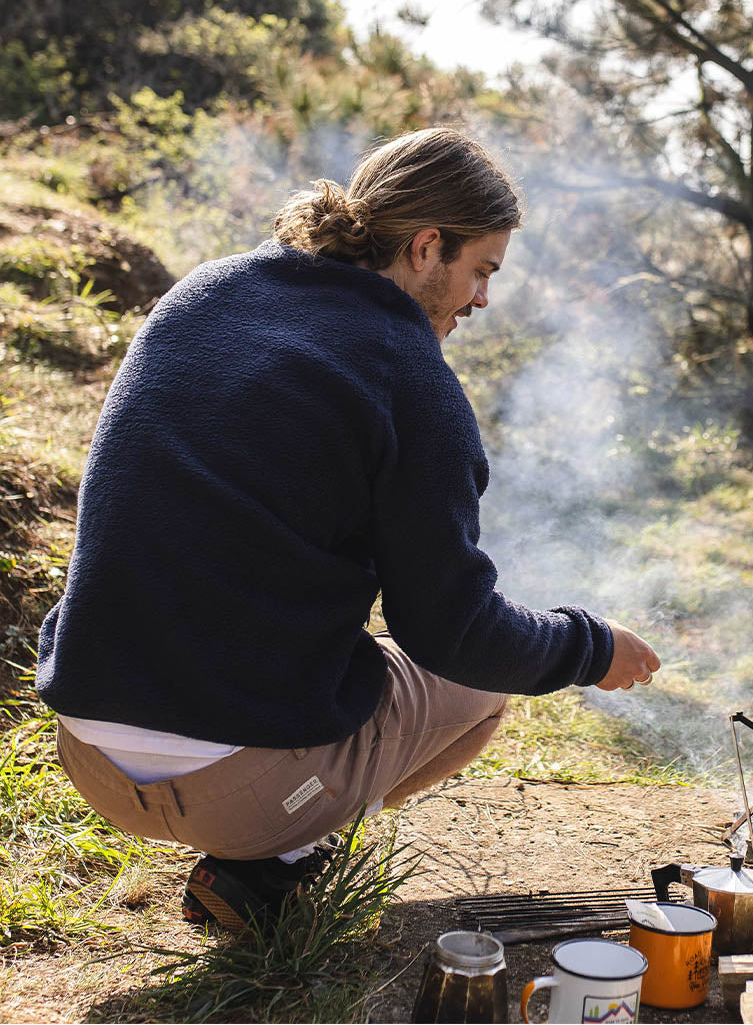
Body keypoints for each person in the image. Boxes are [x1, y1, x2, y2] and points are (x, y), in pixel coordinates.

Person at [35, 127, 660, 934]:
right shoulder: (410, 376)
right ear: (427, 245)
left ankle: (264, 841)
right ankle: (272, 860)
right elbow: (457, 635)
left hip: (86, 745)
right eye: (481, 271)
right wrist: (592, 646)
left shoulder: (207, 290)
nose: (481, 300)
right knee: (480, 691)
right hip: (234, 785)